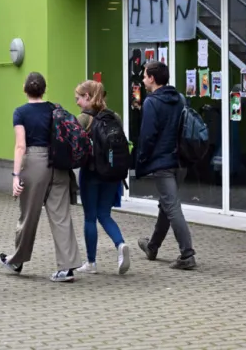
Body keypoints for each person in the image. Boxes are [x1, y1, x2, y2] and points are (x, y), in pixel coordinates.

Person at [0, 72, 82, 283]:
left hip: (35, 161)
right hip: (59, 164)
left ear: (25, 89)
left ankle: (17, 260)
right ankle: (66, 268)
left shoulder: (21, 113)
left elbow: (20, 145)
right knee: (61, 216)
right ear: (44, 90)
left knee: (28, 215)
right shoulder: (55, 109)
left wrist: (16, 175)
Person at [135, 60, 196, 270]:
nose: (142, 81)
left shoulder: (151, 102)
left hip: (163, 163)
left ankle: (187, 255)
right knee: (166, 205)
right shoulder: (179, 98)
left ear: (152, 78)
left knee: (171, 206)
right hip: (181, 161)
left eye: (144, 76)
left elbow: (148, 136)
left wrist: (141, 159)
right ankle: (152, 247)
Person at [73, 80, 130, 275]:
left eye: (79, 98)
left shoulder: (83, 119)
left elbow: (75, 145)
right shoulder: (114, 117)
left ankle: (91, 263)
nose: (77, 102)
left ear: (87, 97)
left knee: (90, 217)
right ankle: (120, 244)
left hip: (91, 173)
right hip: (112, 173)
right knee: (104, 214)